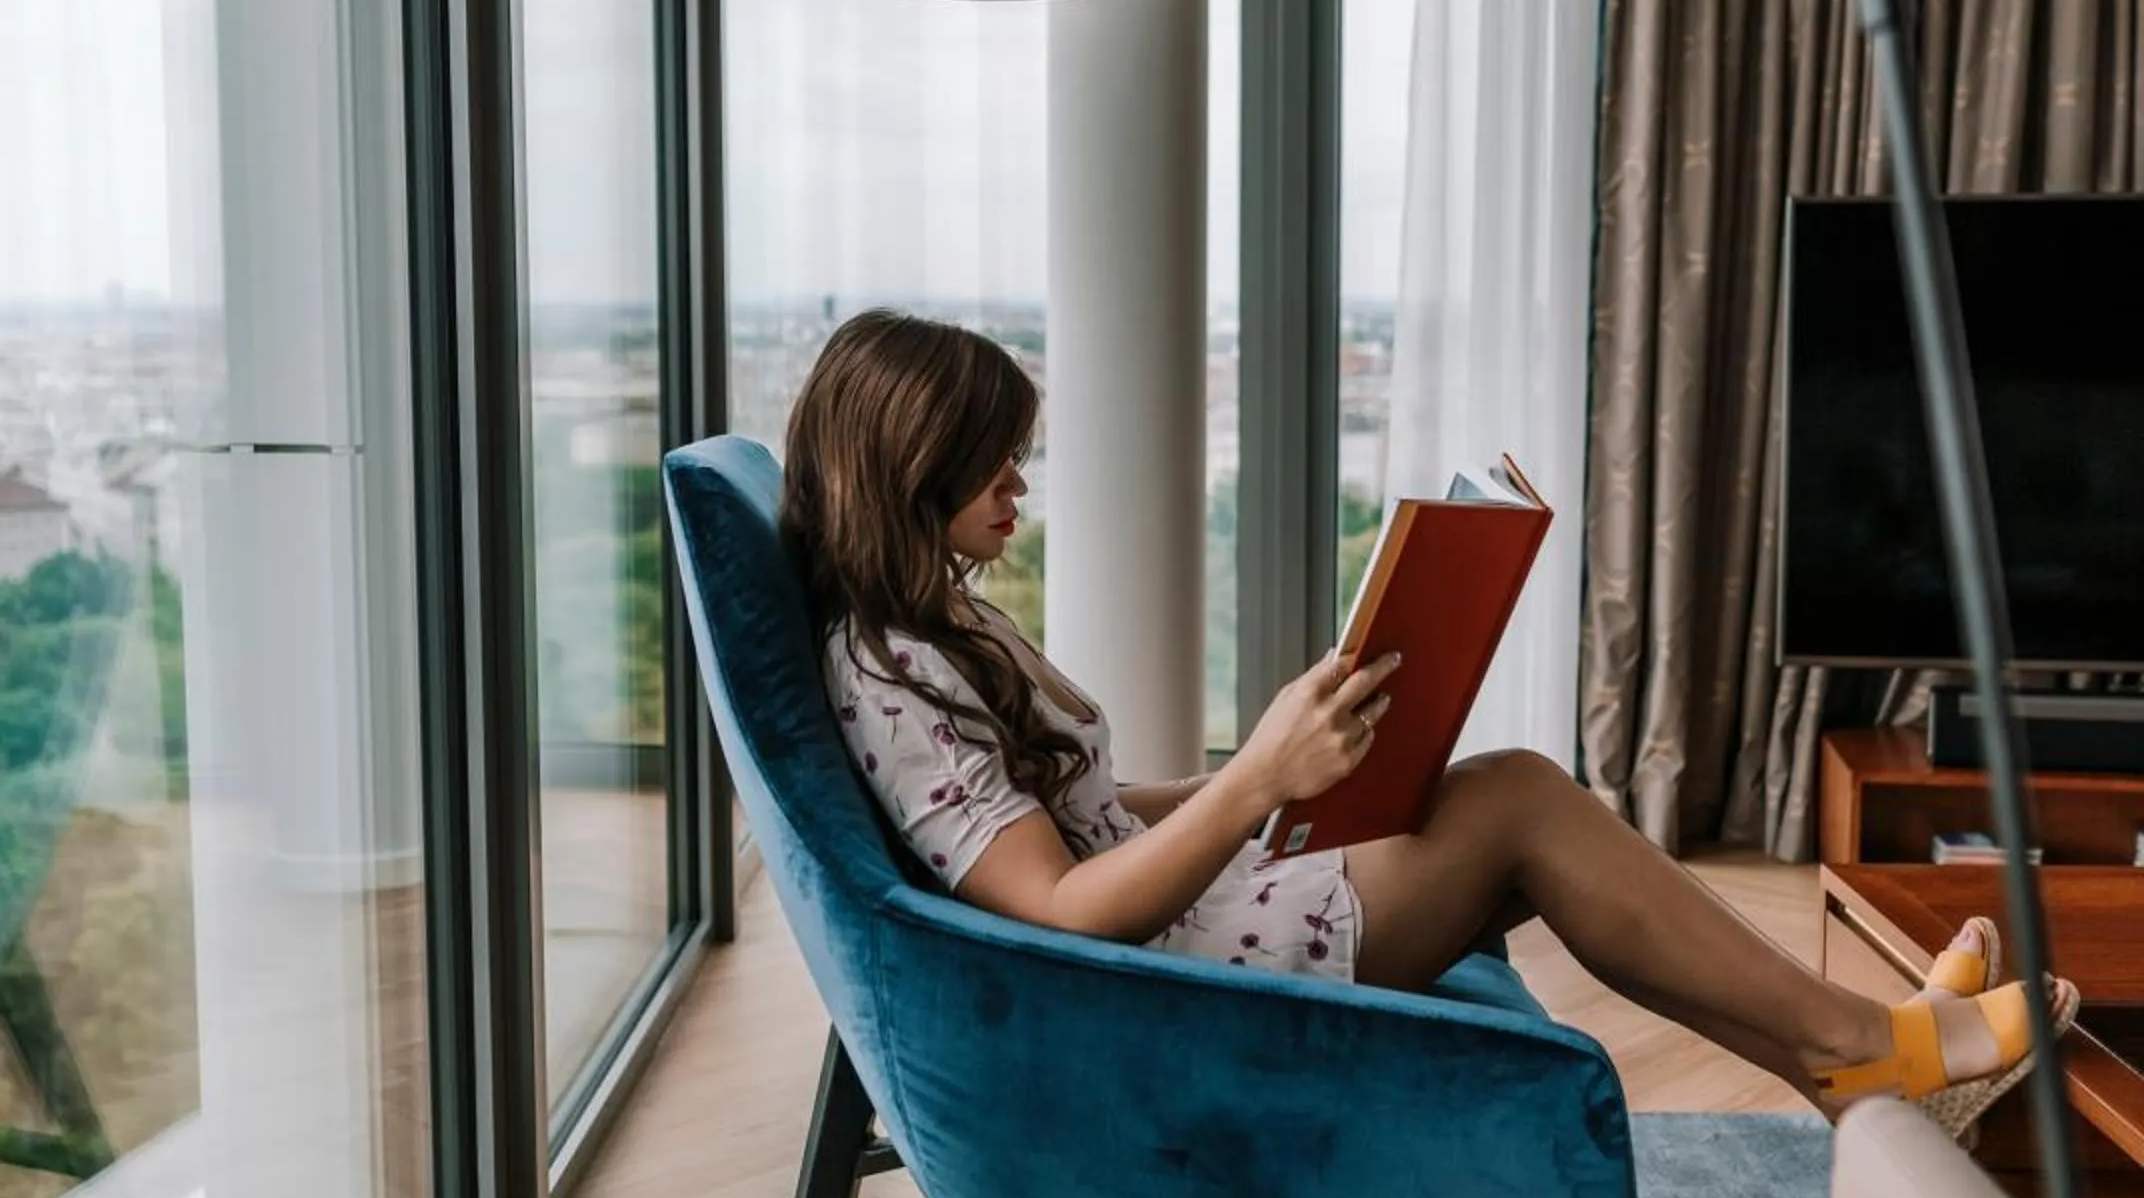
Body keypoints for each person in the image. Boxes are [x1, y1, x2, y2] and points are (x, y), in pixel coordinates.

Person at [782, 309, 2075, 1140]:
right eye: (995, 459)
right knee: (1512, 801)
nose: (1020, 483)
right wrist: (1256, 791)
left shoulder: (941, 626)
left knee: (1475, 788)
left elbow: (1087, 820)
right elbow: (1062, 915)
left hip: (1194, 923)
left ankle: (1842, 1063)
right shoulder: (890, 677)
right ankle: (1857, 1046)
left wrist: (1271, 765)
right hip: (1167, 986)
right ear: (910, 466)